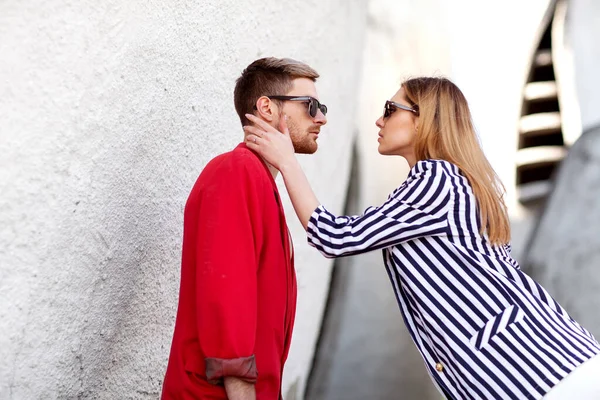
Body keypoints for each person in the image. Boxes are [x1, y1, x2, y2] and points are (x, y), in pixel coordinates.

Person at [243, 77, 600, 400]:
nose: (379, 121)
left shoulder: (436, 178)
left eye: (390, 110)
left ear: (422, 118)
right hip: (552, 367)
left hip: (535, 374)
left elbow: (335, 236)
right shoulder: (456, 182)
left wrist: (287, 161)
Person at [161, 57, 328, 400]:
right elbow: (226, 302)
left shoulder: (258, 181)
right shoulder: (236, 172)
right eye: (310, 106)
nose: (322, 118)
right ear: (267, 107)